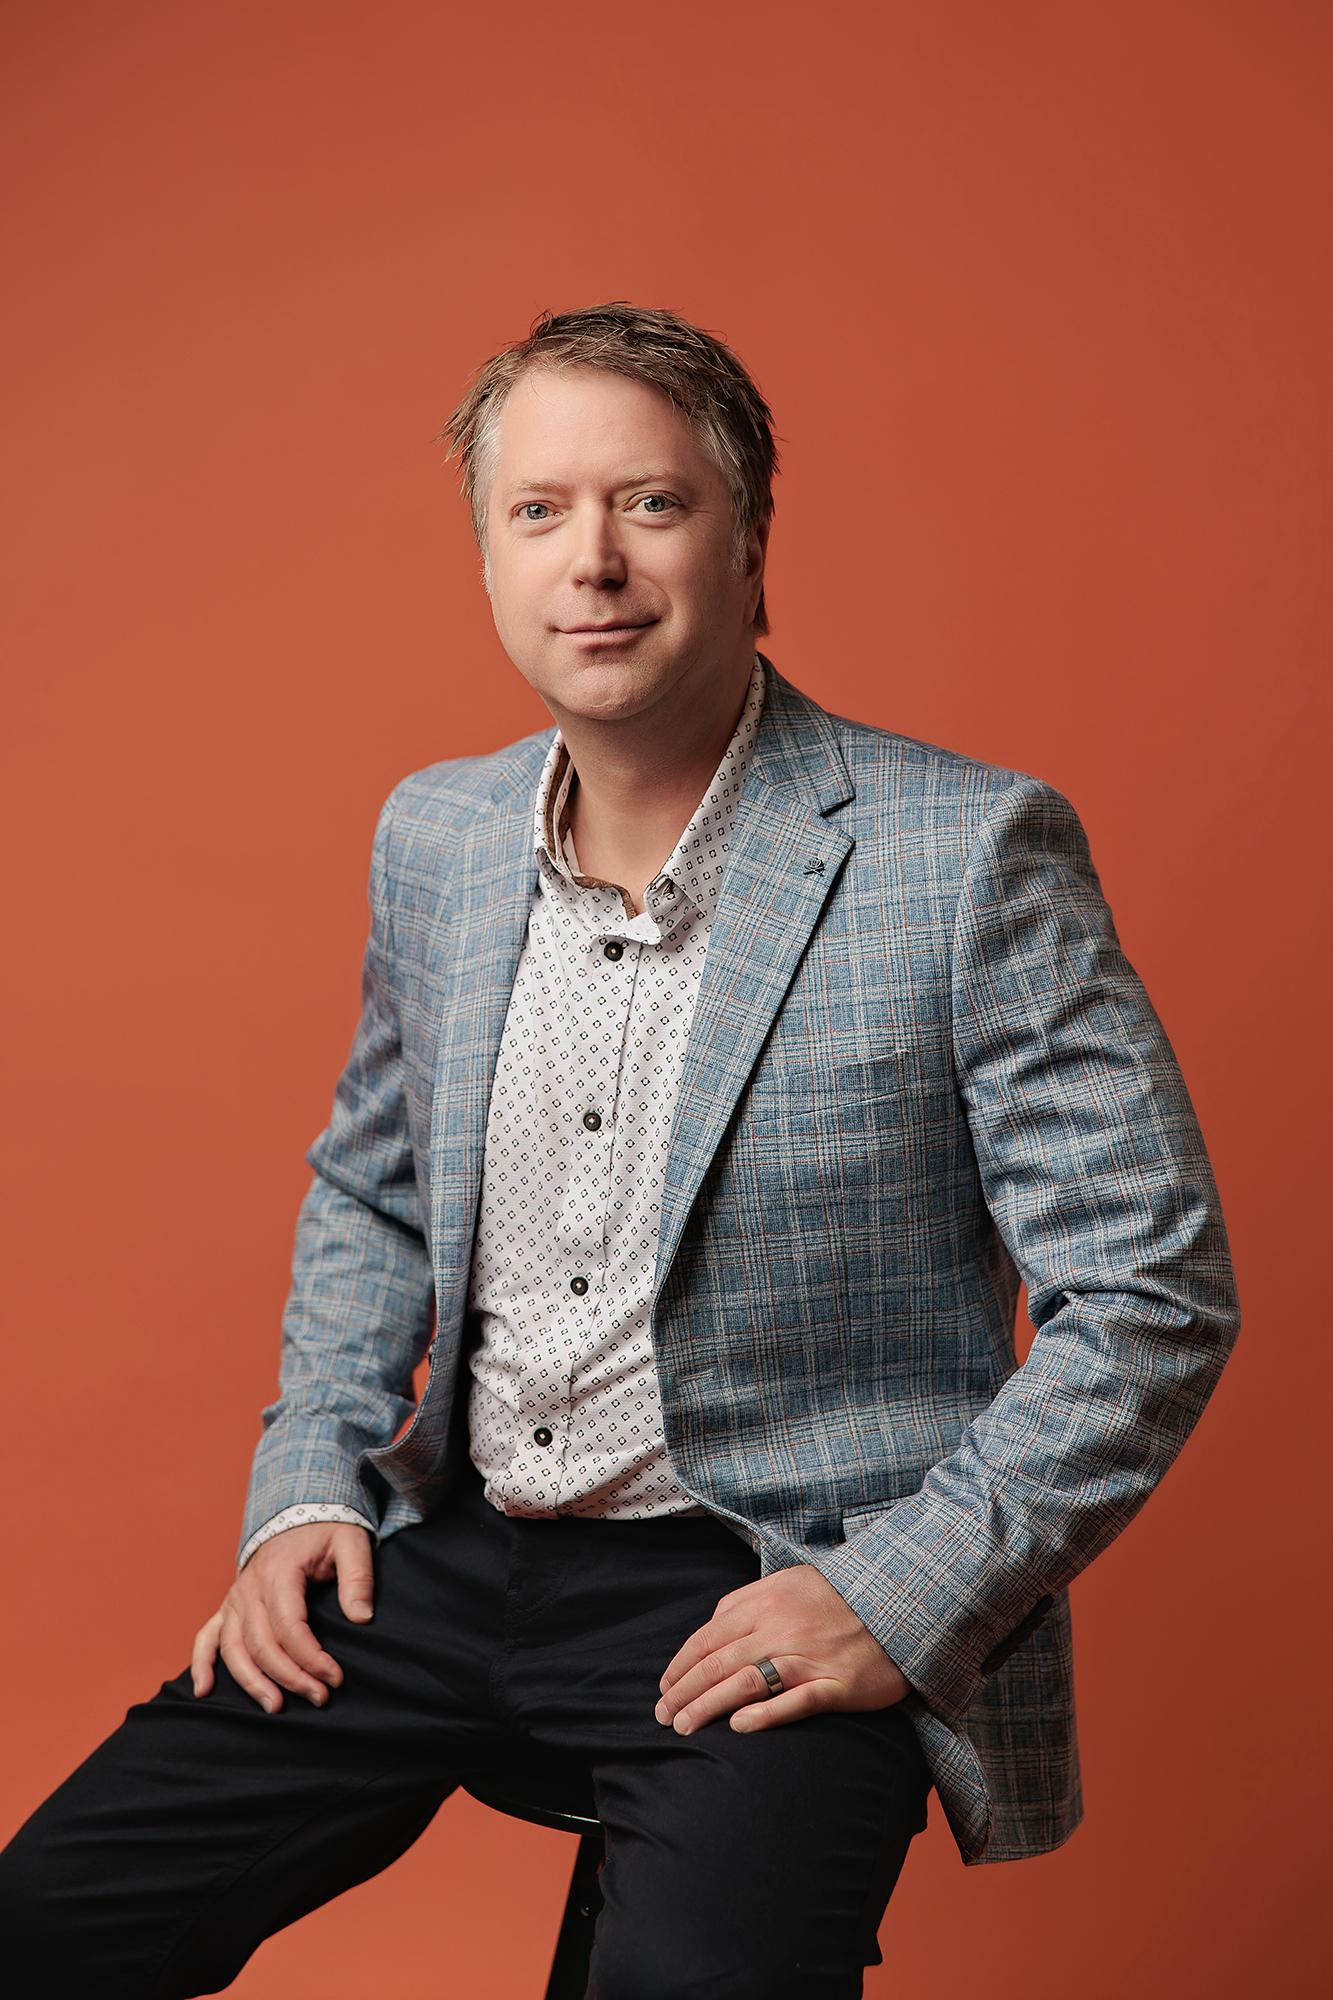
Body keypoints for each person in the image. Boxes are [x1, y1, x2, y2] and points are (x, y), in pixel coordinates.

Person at [1, 302, 1240, 1996]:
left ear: (748, 540)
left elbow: (1150, 1293)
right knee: (41, 1925)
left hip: (773, 1578)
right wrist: (303, 1487)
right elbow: (373, 1191)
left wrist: (892, 1596)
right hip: (456, 1549)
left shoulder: (963, 853)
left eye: (651, 503)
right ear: (487, 557)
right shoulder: (438, 833)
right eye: (539, 511)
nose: (591, 560)